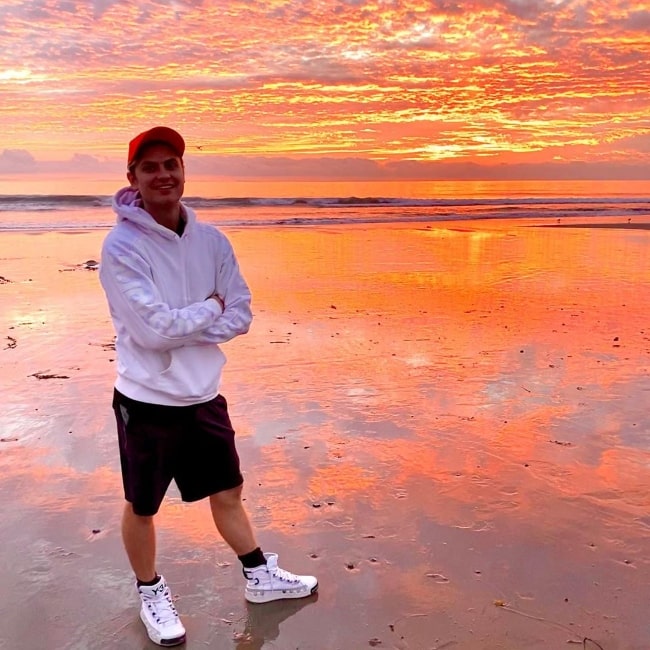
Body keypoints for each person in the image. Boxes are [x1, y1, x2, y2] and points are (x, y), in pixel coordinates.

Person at [99, 126, 318, 647]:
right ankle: (150, 589)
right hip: (146, 400)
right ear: (133, 178)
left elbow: (240, 313)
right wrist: (210, 307)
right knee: (143, 505)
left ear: (183, 171)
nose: (162, 174)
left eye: (170, 163)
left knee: (228, 490)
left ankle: (258, 574)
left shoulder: (213, 241)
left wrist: (196, 319)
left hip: (203, 396)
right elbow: (152, 332)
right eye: (149, 167)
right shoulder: (122, 246)